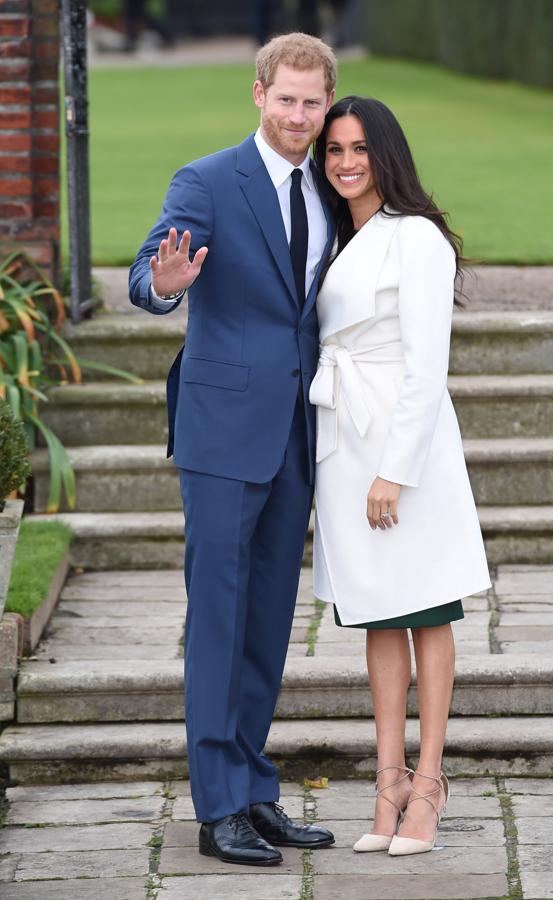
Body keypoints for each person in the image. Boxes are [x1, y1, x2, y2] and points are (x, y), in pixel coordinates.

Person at [129, 32, 337, 867]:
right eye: (285, 98)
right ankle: (217, 809)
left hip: (298, 432)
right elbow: (147, 271)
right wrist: (163, 286)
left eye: (311, 102)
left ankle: (253, 789)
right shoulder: (208, 180)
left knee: (268, 619)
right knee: (218, 616)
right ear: (258, 94)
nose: (297, 115)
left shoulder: (332, 186)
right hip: (221, 432)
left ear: (326, 104)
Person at [310, 96, 491, 856]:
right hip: (343, 438)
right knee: (378, 613)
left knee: (427, 609)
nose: (346, 163)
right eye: (333, 150)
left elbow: (426, 367)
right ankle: (387, 786)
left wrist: (394, 470)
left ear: (386, 154)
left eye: (359, 148)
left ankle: (429, 786)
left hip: (400, 443)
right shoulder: (329, 235)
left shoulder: (415, 236)